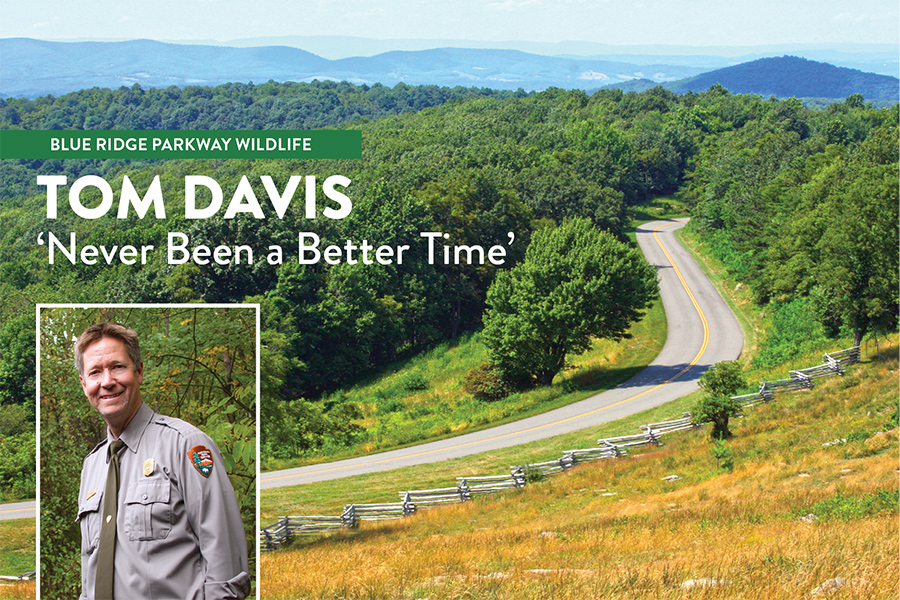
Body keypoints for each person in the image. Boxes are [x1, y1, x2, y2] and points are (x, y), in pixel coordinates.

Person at [74, 322, 250, 600]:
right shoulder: (92, 466)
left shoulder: (186, 445)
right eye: (95, 372)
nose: (106, 381)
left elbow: (226, 569)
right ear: (85, 384)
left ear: (139, 371)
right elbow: (90, 576)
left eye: (118, 366)